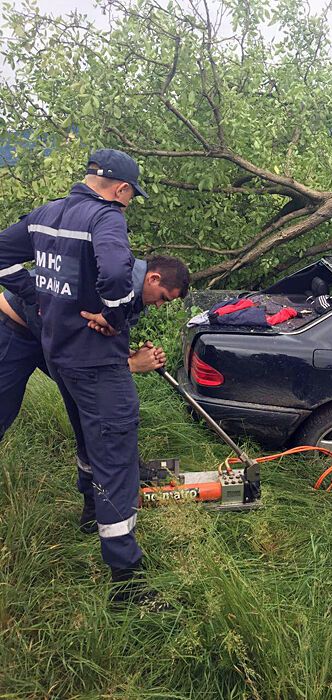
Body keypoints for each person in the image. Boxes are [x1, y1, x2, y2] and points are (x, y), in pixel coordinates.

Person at [0, 148, 185, 606]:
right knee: (116, 452)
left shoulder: (47, 214)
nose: (128, 203)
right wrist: (114, 317)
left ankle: (90, 511)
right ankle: (127, 582)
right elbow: (117, 275)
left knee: (88, 435)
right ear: (122, 190)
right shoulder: (107, 219)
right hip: (73, 357)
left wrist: (37, 296)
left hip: (58, 353)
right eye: (131, 196)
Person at [0, 255, 190, 445]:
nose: (159, 305)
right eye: (162, 298)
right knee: (4, 407)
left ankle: (110, 467)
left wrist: (125, 352)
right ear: (153, 278)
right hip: (14, 329)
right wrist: (130, 364)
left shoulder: (133, 292)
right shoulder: (113, 280)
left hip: (47, 334)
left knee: (92, 401)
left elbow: (97, 334)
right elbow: (80, 340)